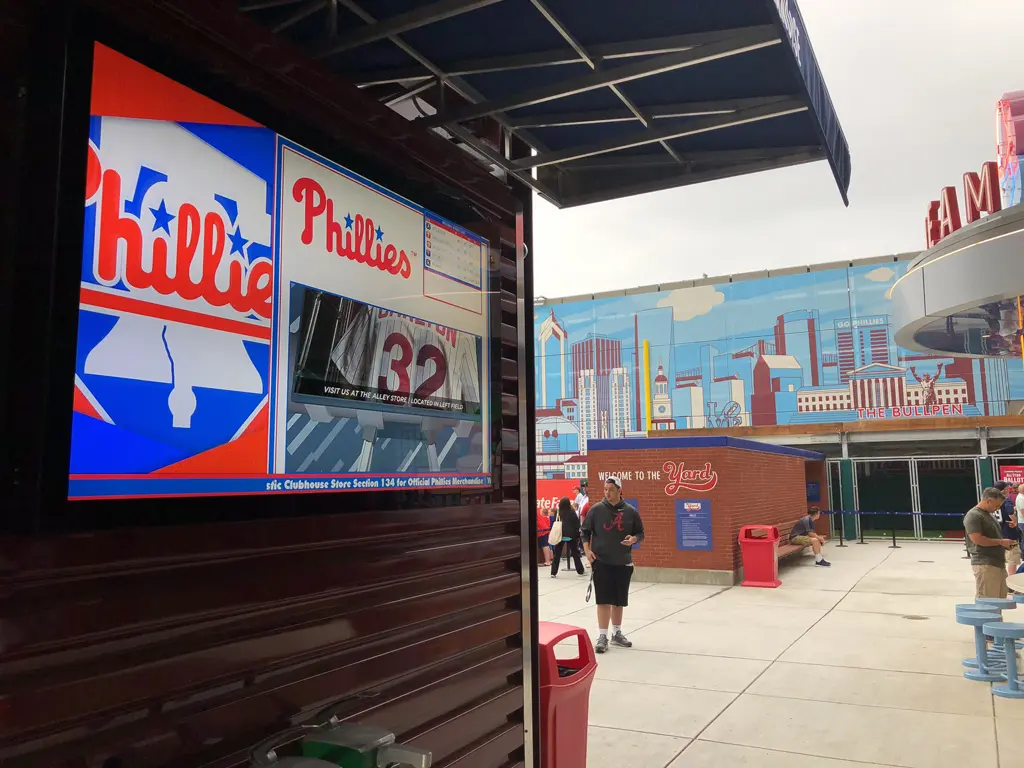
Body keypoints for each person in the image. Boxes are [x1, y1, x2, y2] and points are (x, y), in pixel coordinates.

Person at [582, 476, 644, 654]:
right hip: (601, 562)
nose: (607, 493)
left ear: (619, 490)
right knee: (603, 600)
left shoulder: (630, 511)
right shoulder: (596, 510)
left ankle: (617, 633)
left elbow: (640, 533)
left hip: (623, 562)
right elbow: (585, 532)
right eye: (605, 489)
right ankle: (602, 636)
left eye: (611, 490)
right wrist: (587, 551)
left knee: (619, 601)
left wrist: (634, 539)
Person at [964, 487, 1013, 598]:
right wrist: (1001, 542)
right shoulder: (974, 515)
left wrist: (1005, 544)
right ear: (988, 501)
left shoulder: (989, 515)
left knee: (999, 601)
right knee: (988, 601)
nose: (997, 508)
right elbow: (977, 539)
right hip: (985, 564)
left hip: (998, 564)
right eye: (996, 505)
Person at [551, 497, 585, 577]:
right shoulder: (572, 512)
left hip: (560, 535)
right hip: (571, 535)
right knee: (575, 553)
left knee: (557, 554)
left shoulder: (557, 512)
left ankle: (553, 572)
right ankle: (580, 571)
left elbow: (554, 521)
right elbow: (577, 524)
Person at [995, 481, 1022, 576]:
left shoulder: (993, 501)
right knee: (1012, 559)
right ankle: (1012, 579)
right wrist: (1015, 522)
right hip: (1009, 534)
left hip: (998, 533)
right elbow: (1010, 512)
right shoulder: (1006, 500)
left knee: (1001, 560)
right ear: (1005, 489)